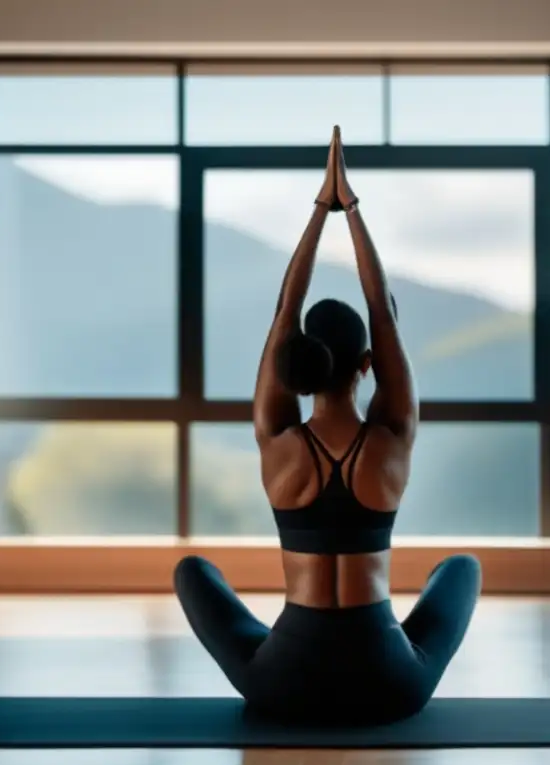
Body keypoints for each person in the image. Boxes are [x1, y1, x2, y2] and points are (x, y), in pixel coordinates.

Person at [174, 126, 482, 726]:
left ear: (297, 364)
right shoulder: (391, 439)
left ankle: (282, 642)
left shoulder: (278, 443)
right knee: (462, 568)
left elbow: (284, 309)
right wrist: (351, 210)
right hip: (389, 685)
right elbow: (382, 310)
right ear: (367, 365)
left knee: (192, 573)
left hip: (285, 682)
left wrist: (319, 210)